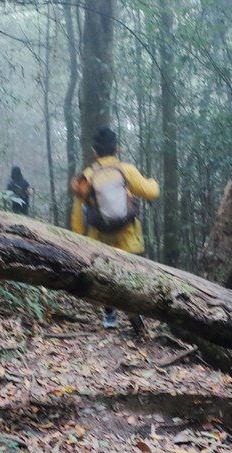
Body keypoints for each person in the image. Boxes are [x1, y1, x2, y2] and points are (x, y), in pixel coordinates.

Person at [70, 127, 160, 330]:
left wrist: (78, 238)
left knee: (105, 278)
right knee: (134, 274)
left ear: (95, 151)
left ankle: (110, 317)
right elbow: (152, 192)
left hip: (100, 238)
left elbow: (78, 213)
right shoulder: (126, 170)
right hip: (129, 239)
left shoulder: (88, 175)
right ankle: (136, 311)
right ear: (116, 149)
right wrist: (153, 182)